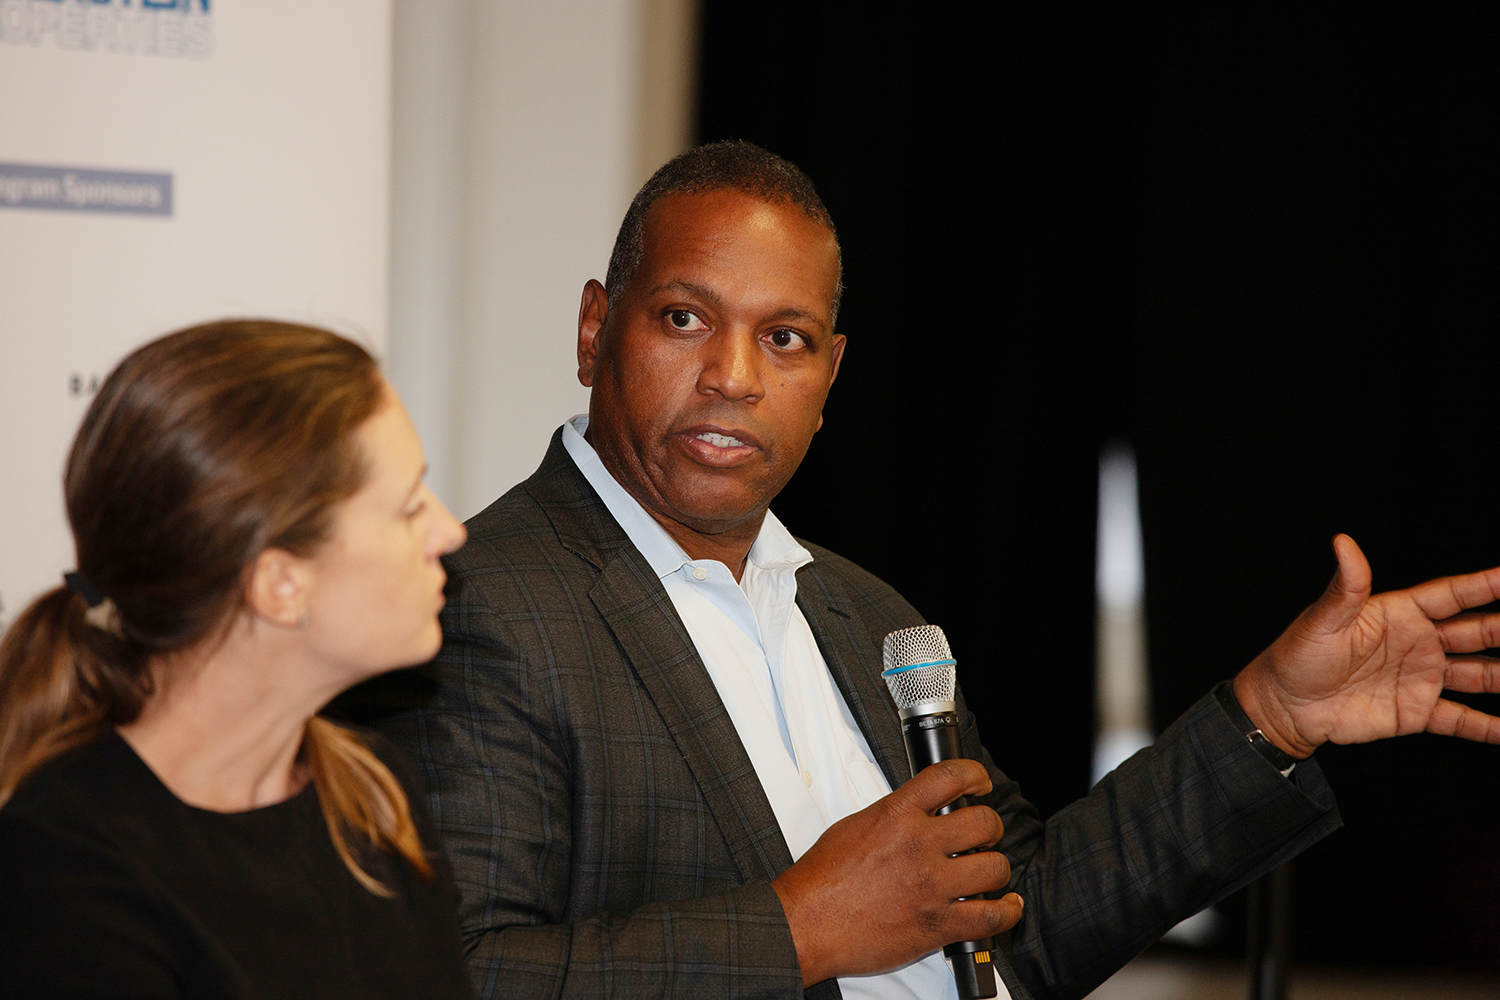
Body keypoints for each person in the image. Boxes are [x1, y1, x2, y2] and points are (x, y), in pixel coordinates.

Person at [346, 142, 1500, 1000]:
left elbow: (1024, 928)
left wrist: (1269, 717)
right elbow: (451, 974)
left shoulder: (866, 616)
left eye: (785, 338)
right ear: (597, 329)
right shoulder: (476, 603)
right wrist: (803, 925)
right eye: (686, 318)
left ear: (830, 375)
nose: (735, 375)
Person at [0, 320, 476, 998]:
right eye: (407, 508)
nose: (450, 531)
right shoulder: (66, 868)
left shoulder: (372, 795)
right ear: (280, 584)